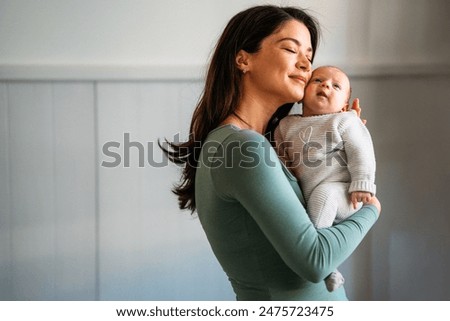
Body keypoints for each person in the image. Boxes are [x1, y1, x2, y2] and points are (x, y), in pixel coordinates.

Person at [160, 5, 381, 300]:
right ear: (243, 59)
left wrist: (335, 142)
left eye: (310, 57)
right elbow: (314, 260)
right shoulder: (243, 147)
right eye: (291, 49)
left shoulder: (256, 144)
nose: (306, 65)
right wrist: (371, 210)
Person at [274, 65, 377, 292]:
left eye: (336, 86)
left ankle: (320, 256)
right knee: (312, 204)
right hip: (310, 197)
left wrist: (362, 183)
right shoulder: (286, 125)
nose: (326, 85)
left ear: (343, 105)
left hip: (343, 194)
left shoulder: (344, 121)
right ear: (302, 94)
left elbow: (361, 151)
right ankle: (330, 269)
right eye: (317, 80)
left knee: (325, 194)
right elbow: (280, 154)